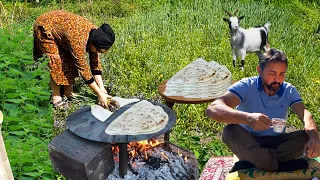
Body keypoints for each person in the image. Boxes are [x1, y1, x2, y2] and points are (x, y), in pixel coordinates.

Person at [206, 48, 320, 172]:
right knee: (229, 131)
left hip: (278, 143)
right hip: (250, 140)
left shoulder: (289, 90)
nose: (278, 79)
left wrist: (314, 138)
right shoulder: (246, 86)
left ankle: (256, 163)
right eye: (272, 73)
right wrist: (248, 118)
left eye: (282, 74)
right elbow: (213, 109)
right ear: (259, 70)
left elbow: (305, 115)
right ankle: (281, 165)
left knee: (306, 135)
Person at [33, 10, 115, 108]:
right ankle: (56, 97)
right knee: (56, 62)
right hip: (45, 26)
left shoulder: (97, 35)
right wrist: (99, 94)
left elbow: (95, 64)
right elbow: (84, 70)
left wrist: (101, 88)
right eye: (98, 50)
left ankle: (68, 93)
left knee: (69, 60)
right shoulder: (79, 41)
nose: (98, 52)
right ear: (94, 44)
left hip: (61, 28)